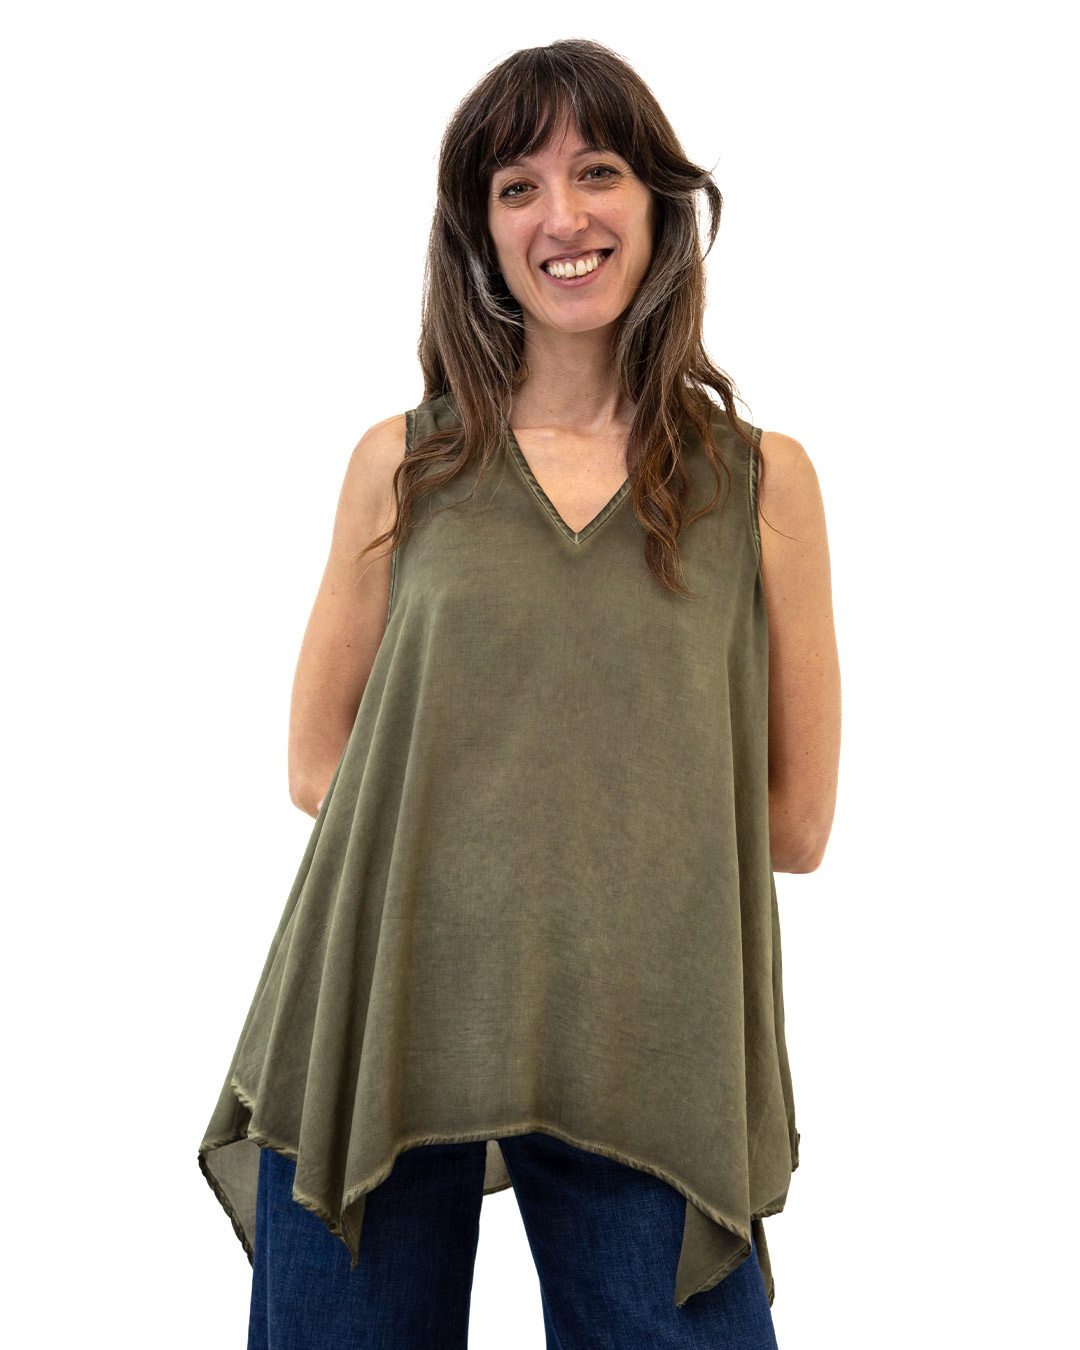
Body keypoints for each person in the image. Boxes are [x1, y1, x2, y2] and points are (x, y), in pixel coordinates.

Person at [199, 37, 841, 1350]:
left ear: (657, 204)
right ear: (480, 231)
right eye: (517, 186)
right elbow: (316, 765)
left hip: (647, 1039)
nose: (562, 216)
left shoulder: (762, 483)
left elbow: (794, 822)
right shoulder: (404, 465)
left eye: (597, 171)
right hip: (380, 1013)